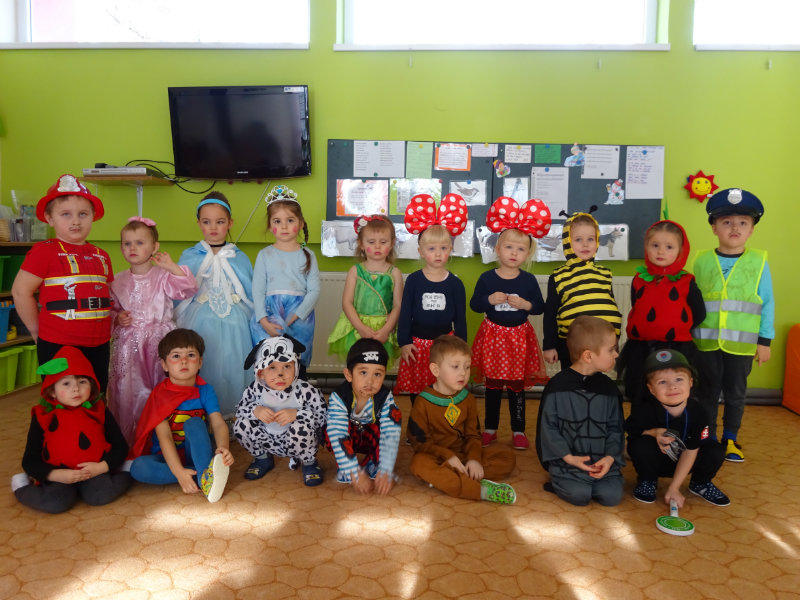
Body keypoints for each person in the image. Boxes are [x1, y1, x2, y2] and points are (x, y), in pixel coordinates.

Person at [691, 188, 773, 462]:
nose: (735, 227)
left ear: (751, 229)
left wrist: (764, 342)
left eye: (743, 222)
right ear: (714, 227)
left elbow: (767, 303)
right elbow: (692, 301)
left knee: (736, 394)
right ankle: (708, 439)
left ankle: (730, 439)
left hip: (742, 345)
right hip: (705, 343)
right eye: (726, 222)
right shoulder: (701, 260)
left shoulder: (759, 262)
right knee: (706, 392)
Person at [12, 174, 114, 391]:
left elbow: (108, 294)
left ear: (93, 216)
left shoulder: (101, 255)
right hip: (57, 342)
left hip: (99, 343)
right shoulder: (43, 252)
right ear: (50, 218)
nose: (75, 221)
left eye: (83, 214)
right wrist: (35, 330)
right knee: (61, 397)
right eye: (65, 214)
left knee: (96, 394)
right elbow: (21, 292)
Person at [470, 197, 551, 450]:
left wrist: (526, 304)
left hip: (518, 339)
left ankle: (518, 430)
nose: (514, 253)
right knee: (493, 387)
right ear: (498, 249)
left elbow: (540, 307)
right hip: (493, 338)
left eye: (521, 249)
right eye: (509, 247)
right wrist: (488, 300)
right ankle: (490, 428)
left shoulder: (528, 280)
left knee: (517, 388)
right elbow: (474, 304)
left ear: (528, 253)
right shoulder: (487, 278)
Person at [108, 217, 198, 443]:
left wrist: (171, 267)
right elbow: (110, 310)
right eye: (127, 243)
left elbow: (187, 289)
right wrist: (118, 318)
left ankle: (164, 441)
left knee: (161, 385)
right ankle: (131, 440)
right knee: (128, 390)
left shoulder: (163, 276)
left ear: (154, 247)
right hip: (129, 346)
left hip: (159, 343)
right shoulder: (117, 280)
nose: (133, 248)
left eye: (140, 243)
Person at [11, 346, 131, 514]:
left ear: (91, 385)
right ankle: (21, 487)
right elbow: (29, 460)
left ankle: (126, 470)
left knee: (101, 495)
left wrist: (101, 467)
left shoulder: (99, 410)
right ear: (52, 391)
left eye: (82, 382)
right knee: (55, 503)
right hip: (58, 475)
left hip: (94, 472)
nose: (75, 389)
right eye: (66, 383)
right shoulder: (42, 415)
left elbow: (120, 446)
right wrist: (54, 475)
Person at [408, 335, 517, 504]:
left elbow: (473, 435)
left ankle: (452, 479)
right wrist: (448, 456)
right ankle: (480, 490)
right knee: (418, 464)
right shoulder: (422, 402)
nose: (463, 373)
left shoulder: (468, 399)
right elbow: (419, 443)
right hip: (436, 457)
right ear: (436, 370)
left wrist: (474, 459)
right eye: (455, 366)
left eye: (467, 367)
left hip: (463, 455)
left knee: (507, 457)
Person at [129, 329, 233, 503]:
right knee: (138, 468)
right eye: (176, 356)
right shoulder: (159, 395)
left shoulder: (205, 390)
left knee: (194, 423)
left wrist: (223, 447)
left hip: (196, 453)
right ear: (164, 365)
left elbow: (218, 423)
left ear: (200, 362)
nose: (184, 361)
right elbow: (164, 437)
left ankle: (205, 476)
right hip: (168, 457)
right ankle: (203, 476)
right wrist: (178, 472)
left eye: (190, 355)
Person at [175, 192, 254, 417]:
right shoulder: (190, 255)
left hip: (235, 319)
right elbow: (180, 288)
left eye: (220, 222)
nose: (213, 228)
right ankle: (202, 411)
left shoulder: (238, 256)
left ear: (230, 223)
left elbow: (248, 289)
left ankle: (232, 414)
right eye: (207, 222)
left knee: (233, 363)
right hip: (200, 318)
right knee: (205, 360)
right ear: (199, 223)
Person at [535, 316, 625, 507]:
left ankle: (600, 475)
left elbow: (615, 428)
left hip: (603, 462)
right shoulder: (557, 387)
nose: (616, 354)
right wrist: (568, 458)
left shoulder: (609, 389)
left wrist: (609, 459)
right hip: (567, 463)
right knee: (579, 495)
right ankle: (561, 479)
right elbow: (549, 429)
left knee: (611, 496)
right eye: (611, 350)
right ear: (588, 356)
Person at [626, 349, 730, 507]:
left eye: (679, 379)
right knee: (639, 444)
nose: (672, 387)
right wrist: (654, 432)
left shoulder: (699, 412)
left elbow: (692, 450)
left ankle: (700, 483)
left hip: (687, 460)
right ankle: (648, 481)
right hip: (658, 461)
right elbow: (632, 431)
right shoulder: (644, 410)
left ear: (690, 382)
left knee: (715, 450)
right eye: (662, 382)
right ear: (651, 389)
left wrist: (674, 488)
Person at [618, 220, 705, 407]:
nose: (661, 251)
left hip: (676, 348)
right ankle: (641, 423)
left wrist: (675, 327)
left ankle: (671, 422)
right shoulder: (639, 279)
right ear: (646, 247)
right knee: (641, 390)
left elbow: (699, 313)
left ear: (680, 251)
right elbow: (637, 307)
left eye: (669, 247)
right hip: (641, 348)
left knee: (672, 393)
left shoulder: (686, 281)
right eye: (655, 245)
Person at [395, 193, 468, 405]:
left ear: (450, 250)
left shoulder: (455, 284)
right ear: (421, 251)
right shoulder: (414, 281)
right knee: (418, 390)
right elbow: (405, 313)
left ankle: (441, 421)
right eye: (432, 249)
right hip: (417, 346)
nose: (438, 254)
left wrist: (460, 348)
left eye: (443, 248)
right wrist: (404, 342)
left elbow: (460, 320)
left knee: (444, 388)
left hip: (445, 346)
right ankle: (419, 421)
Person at [234, 336, 326, 486]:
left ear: (296, 367)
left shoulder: (305, 390)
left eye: (287, 366)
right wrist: (255, 410)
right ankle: (262, 458)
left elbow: (322, 416)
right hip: (267, 439)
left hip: (297, 442)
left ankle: (309, 463)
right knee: (241, 425)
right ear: (260, 372)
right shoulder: (255, 389)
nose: (280, 374)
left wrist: (297, 414)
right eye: (272, 367)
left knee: (301, 428)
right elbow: (240, 409)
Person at [249, 185, 320, 368]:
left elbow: (314, 290)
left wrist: (297, 314)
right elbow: (257, 290)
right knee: (270, 359)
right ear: (270, 225)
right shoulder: (265, 255)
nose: (284, 226)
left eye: (290, 220)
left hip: (300, 315)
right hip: (270, 312)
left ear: (301, 223)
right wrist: (263, 320)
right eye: (277, 221)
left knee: (296, 359)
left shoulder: (308, 255)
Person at [542, 209, 621, 371]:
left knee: (596, 382)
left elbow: (610, 306)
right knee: (572, 381)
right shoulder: (558, 277)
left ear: (597, 241)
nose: (585, 244)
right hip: (570, 347)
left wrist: (614, 344)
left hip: (602, 347)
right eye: (578, 239)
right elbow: (550, 315)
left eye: (590, 239)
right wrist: (549, 346)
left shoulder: (605, 274)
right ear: (567, 242)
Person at [326, 338, 402, 495]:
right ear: (349, 375)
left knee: (390, 425)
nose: (370, 381)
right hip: (349, 439)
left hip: (369, 439)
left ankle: (373, 464)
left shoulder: (385, 397)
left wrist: (386, 469)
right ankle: (346, 467)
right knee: (331, 430)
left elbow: (391, 434)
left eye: (377, 374)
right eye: (363, 372)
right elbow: (338, 434)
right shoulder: (339, 397)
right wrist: (353, 470)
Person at [327, 214, 403, 366]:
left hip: (382, 328)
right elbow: (347, 303)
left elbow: (397, 306)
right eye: (371, 242)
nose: (377, 246)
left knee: (378, 365)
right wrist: (361, 328)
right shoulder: (355, 271)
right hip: (357, 327)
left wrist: (386, 330)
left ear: (392, 243)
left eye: (383, 242)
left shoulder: (395, 273)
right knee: (357, 365)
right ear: (361, 244)